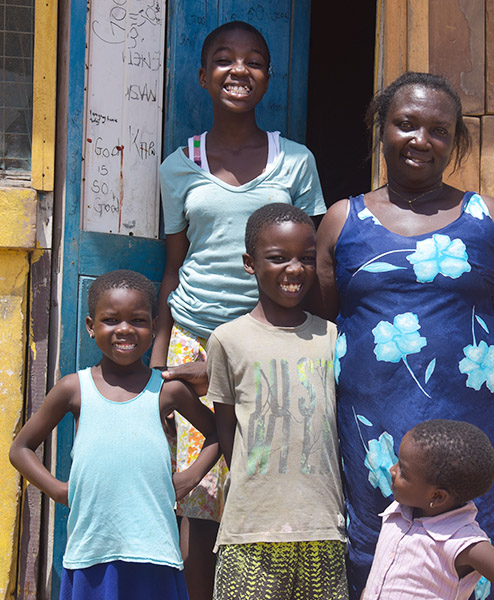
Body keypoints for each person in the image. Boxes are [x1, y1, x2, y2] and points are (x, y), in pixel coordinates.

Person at [313, 72, 494, 599]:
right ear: (381, 129)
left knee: (465, 571)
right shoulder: (343, 221)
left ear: (455, 140)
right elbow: (319, 329)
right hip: (372, 445)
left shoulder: (486, 218)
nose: (420, 139)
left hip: (468, 446)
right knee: (376, 568)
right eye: (406, 124)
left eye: (438, 129)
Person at [151, 20, 326, 598]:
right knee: (201, 505)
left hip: (273, 344)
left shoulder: (295, 161)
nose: (238, 70)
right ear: (203, 77)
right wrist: (158, 358)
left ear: (268, 78)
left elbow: (313, 264)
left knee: (265, 476)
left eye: (252, 61)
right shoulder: (179, 166)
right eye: (223, 60)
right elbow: (175, 267)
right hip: (196, 337)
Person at [9, 270, 220, 600]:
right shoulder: (73, 388)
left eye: (137, 320)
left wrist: (190, 477)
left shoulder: (166, 390)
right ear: (91, 327)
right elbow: (20, 448)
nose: (124, 329)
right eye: (111, 320)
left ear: (153, 327)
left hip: (155, 551)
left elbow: (217, 433)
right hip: (93, 550)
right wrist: (60, 490)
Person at [207, 203, 348, 600]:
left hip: (323, 527)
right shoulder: (227, 340)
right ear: (249, 263)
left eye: (306, 258)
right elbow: (228, 433)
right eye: (277, 258)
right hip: (250, 529)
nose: (294, 269)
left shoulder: (333, 337)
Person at [361, 420, 494, 600]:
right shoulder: (397, 513)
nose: (392, 471)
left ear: (437, 497)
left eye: (403, 471)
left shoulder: (462, 542)